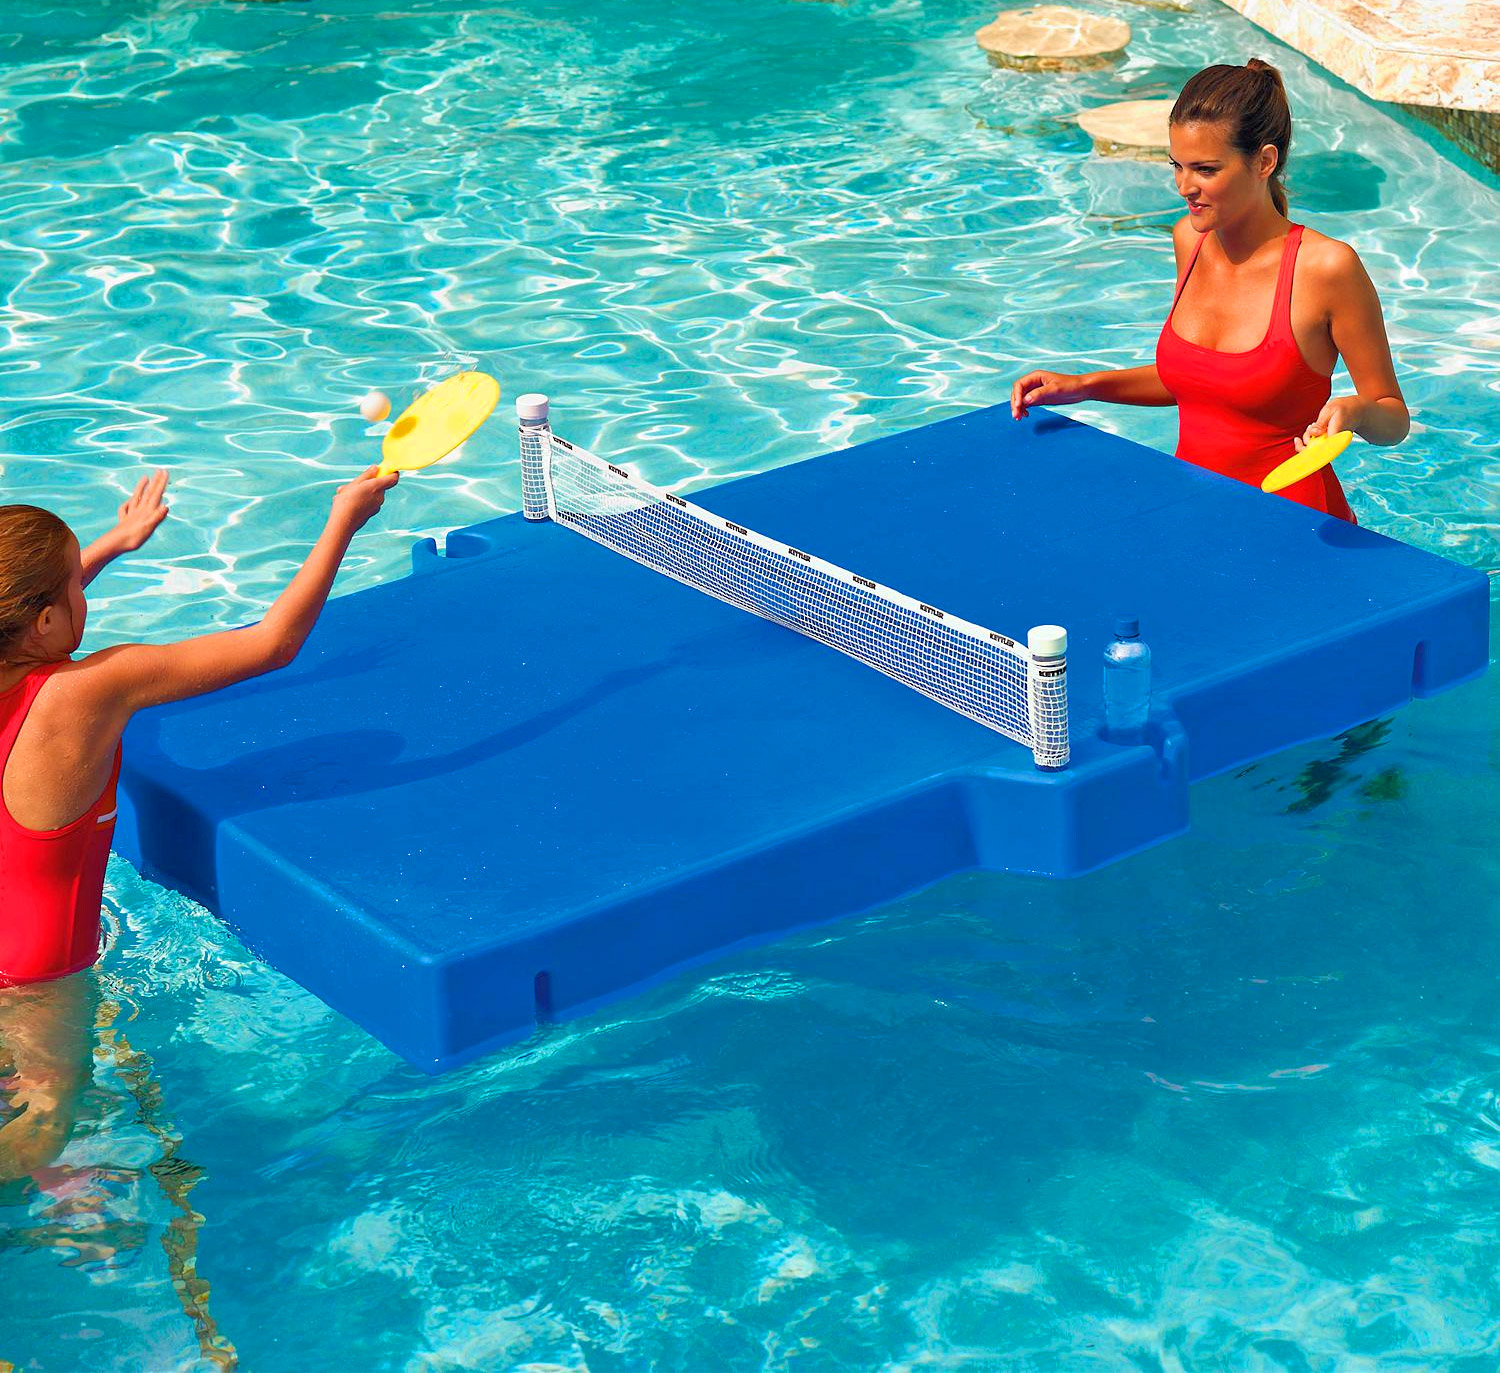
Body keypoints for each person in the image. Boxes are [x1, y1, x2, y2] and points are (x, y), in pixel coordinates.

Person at [0, 464, 398, 987]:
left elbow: (26, 618)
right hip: (41, 982)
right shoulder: (89, 692)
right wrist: (343, 521)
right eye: (77, 582)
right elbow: (271, 645)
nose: (84, 591)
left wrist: (113, 544)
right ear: (45, 620)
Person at [1010, 59, 1409, 520]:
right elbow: (1200, 380)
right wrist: (1084, 386)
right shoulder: (1189, 239)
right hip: (1193, 511)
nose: (1184, 186)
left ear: (1264, 161)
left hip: (1296, 526)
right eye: (1177, 165)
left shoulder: (1327, 268)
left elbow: (1393, 419)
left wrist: (1355, 411)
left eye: (1205, 169)